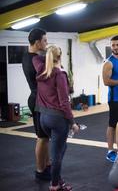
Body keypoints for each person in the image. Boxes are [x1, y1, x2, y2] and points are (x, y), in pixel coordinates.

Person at [33, 45, 79, 191]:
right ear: (59, 57)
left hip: (43, 118)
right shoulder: (59, 74)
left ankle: (58, 179)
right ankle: (54, 185)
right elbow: (64, 102)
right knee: (57, 155)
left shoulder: (41, 72)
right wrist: (72, 122)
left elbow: (35, 57)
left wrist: (48, 52)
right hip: (57, 119)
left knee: (59, 150)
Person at [22, 28, 51, 180]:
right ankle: (40, 171)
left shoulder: (28, 56)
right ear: (38, 42)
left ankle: (47, 165)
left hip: (38, 99)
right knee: (42, 137)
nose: (46, 43)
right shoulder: (36, 59)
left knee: (45, 136)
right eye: (45, 40)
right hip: (38, 100)